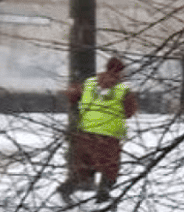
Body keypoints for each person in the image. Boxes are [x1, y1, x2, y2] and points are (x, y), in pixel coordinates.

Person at [58, 56, 138, 204]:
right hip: (108, 137)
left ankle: (67, 188)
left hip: (84, 134)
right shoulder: (123, 89)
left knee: (84, 168)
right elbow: (129, 112)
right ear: (122, 72)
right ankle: (103, 197)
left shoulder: (89, 83)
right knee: (110, 167)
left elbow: (72, 95)